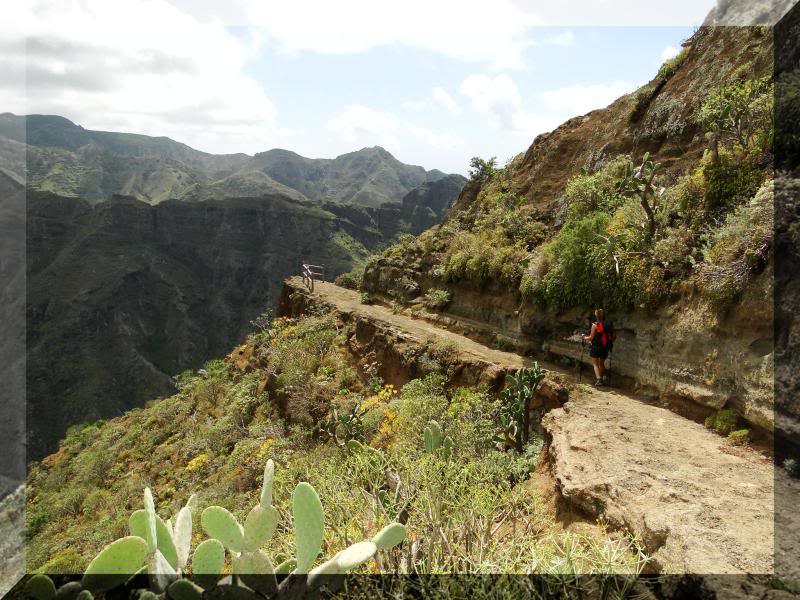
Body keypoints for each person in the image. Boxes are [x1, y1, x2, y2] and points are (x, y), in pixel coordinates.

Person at [583, 308, 613, 387]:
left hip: (596, 347)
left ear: (596, 315)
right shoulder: (609, 324)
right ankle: (600, 380)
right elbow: (614, 336)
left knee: (595, 364)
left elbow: (591, 338)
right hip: (605, 347)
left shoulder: (595, 325)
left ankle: (599, 378)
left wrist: (584, 337)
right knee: (602, 363)